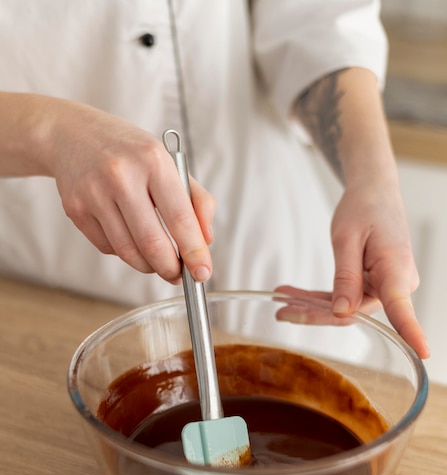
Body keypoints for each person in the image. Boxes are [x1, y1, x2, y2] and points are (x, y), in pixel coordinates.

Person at [0, 0, 429, 358]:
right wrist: (51, 132)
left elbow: (315, 21)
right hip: (62, 299)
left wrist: (373, 181)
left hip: (273, 257)